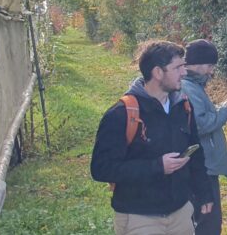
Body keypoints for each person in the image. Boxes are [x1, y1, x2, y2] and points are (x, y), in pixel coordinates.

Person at [90, 40, 213, 235]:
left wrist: (204, 193)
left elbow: (195, 152)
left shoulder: (183, 106)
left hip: (180, 213)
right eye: (178, 67)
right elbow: (101, 169)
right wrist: (157, 166)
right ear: (157, 72)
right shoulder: (122, 114)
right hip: (140, 217)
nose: (184, 72)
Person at [180, 39, 227, 235]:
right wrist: (225, 111)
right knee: (208, 222)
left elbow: (201, 114)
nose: (211, 71)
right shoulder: (188, 87)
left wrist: (219, 108)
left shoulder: (193, 86)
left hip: (204, 165)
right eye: (209, 66)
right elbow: (201, 124)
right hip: (203, 166)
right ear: (196, 64)